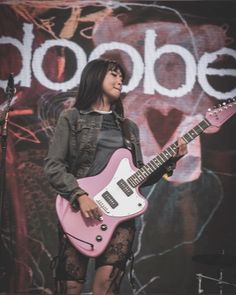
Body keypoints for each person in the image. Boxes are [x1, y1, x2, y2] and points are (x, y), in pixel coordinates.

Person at [44, 58, 187, 295]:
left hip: (120, 217)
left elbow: (139, 176)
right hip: (80, 210)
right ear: (95, 77)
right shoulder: (72, 118)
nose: (119, 80)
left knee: (106, 288)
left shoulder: (128, 128)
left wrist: (171, 159)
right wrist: (79, 195)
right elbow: (53, 164)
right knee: (70, 288)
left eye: (121, 76)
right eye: (113, 74)